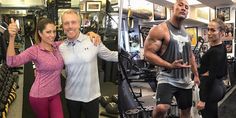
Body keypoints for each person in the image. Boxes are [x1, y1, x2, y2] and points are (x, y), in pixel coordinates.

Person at [6, 17, 100, 118]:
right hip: (39, 96)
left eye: (54, 31)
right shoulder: (34, 50)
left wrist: (90, 34)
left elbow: (75, 38)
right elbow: (11, 62)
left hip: (55, 94)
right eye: (48, 32)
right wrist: (12, 38)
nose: (52, 35)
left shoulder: (57, 46)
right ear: (40, 33)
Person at [143, 0, 200, 118]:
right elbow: (148, 54)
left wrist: (196, 75)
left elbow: (190, 56)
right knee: (161, 108)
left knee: (186, 112)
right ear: (172, 8)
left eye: (186, 7)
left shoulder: (187, 33)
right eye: (180, 5)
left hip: (185, 80)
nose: (183, 8)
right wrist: (170, 65)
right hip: (167, 77)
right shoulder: (160, 29)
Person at [59, 9, 118, 118]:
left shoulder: (92, 40)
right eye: (66, 23)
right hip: (71, 96)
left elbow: (110, 55)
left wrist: (132, 55)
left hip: (91, 96)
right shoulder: (61, 47)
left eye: (73, 22)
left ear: (79, 24)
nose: (70, 26)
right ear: (62, 26)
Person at [196, 19, 227, 118]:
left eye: (213, 30)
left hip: (211, 88)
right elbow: (222, 70)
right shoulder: (222, 47)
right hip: (219, 86)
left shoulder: (214, 52)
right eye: (208, 29)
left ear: (221, 33)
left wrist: (202, 100)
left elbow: (210, 76)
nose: (209, 33)